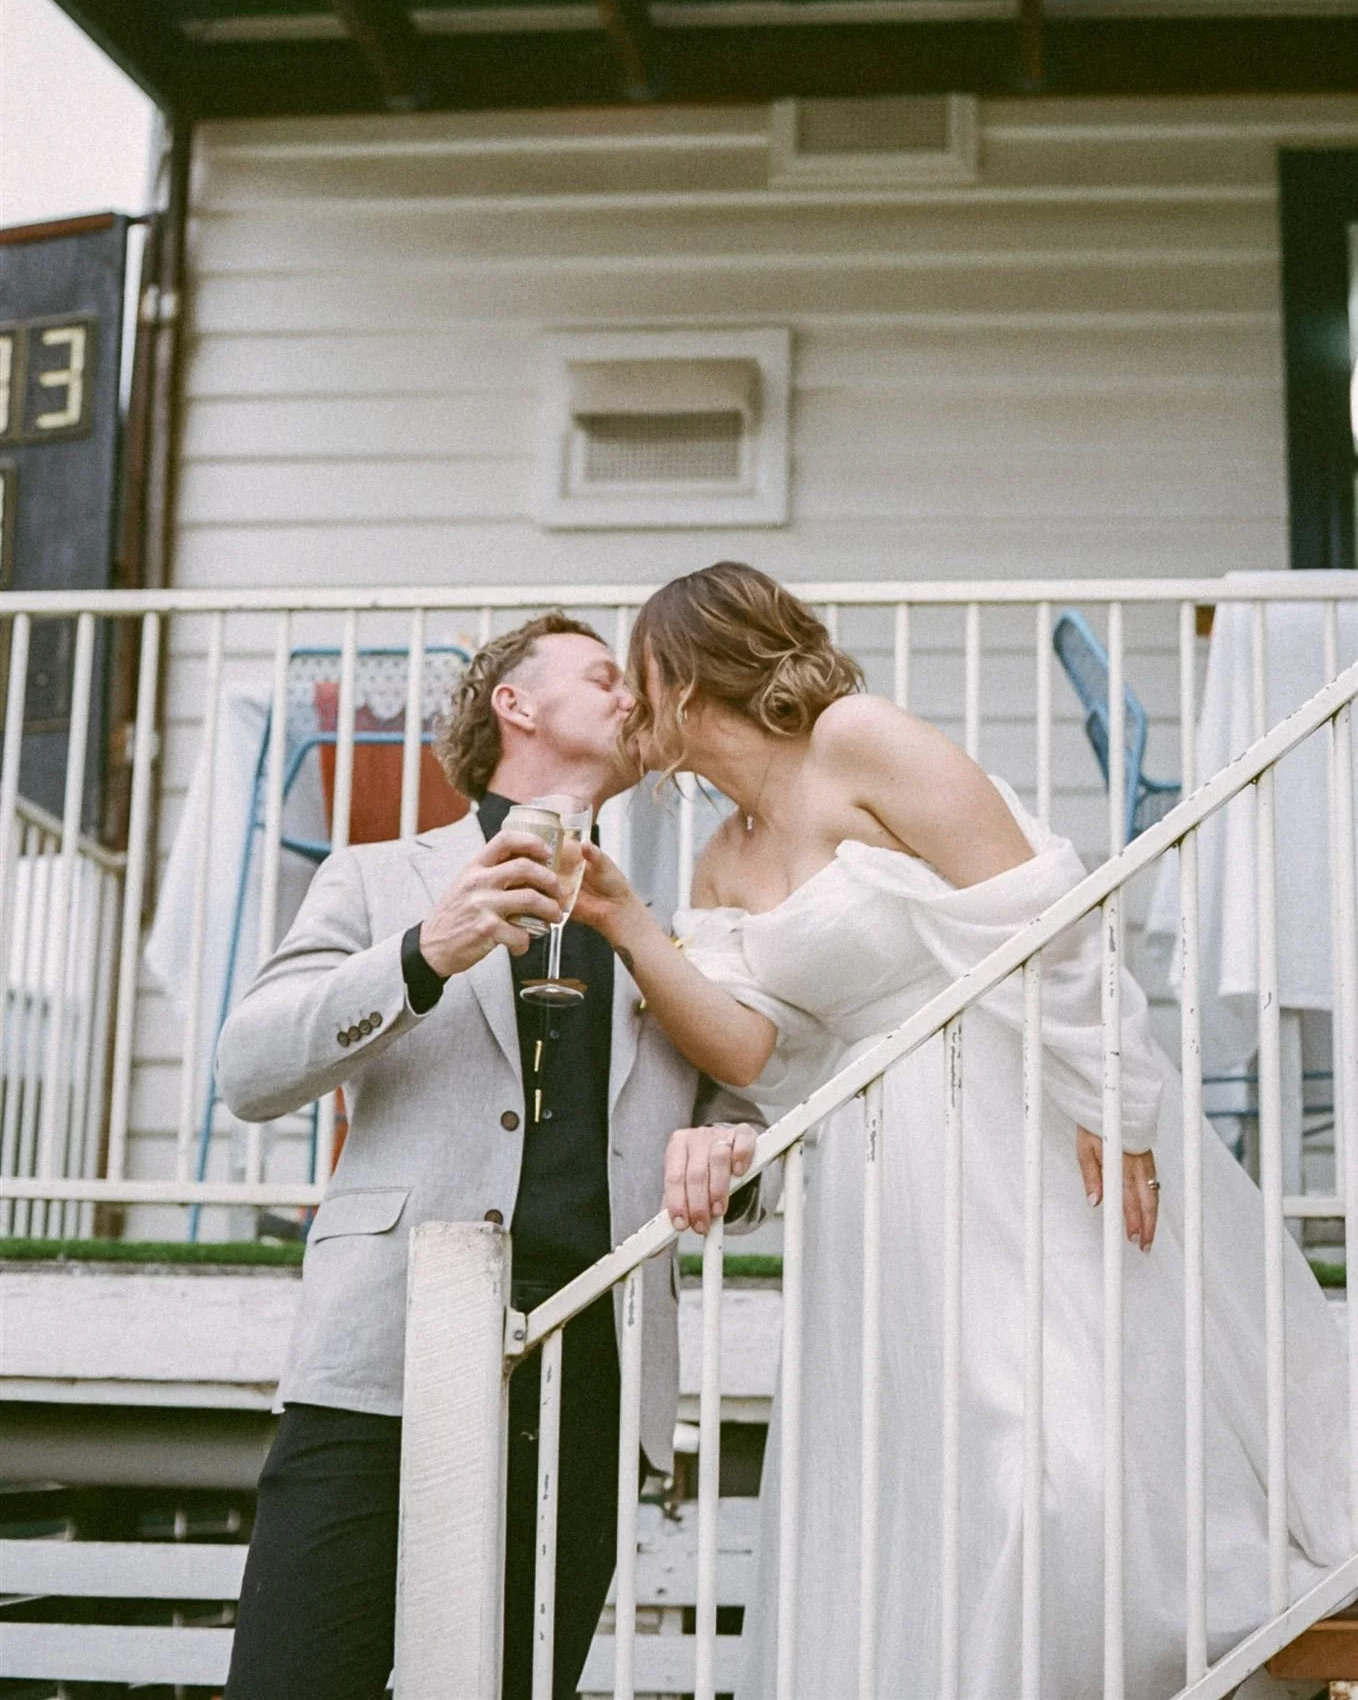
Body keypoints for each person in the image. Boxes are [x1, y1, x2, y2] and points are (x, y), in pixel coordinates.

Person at [572, 562, 1350, 1700]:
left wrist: (1112, 1096)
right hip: (881, 1185)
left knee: (1056, 1460)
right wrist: (627, 921)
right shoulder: (721, 856)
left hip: (1013, 1113)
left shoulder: (857, 738)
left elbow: (1043, 907)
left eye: (634, 673)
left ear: (687, 671)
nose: (629, 711)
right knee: (948, 1471)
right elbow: (746, 1049)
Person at [215, 612, 768, 1700]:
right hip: (378, 1368)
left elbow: (752, 1137)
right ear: (515, 704)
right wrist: (424, 950)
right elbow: (249, 1068)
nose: (632, 696)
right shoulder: (376, 878)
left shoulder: (668, 927)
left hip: (590, 1379)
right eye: (605, 675)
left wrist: (733, 1149)